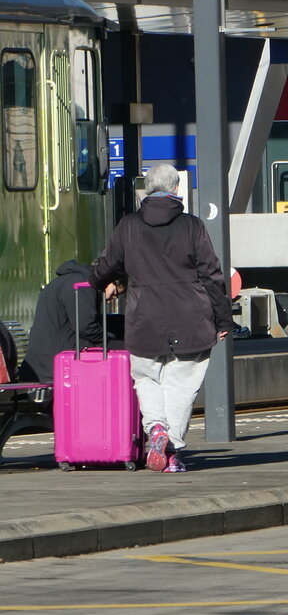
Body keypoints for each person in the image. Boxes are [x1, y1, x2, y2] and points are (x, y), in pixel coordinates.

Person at [91, 164, 237, 473]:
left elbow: (105, 266)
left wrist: (107, 281)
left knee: (146, 378)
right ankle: (171, 448)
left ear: (146, 189)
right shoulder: (192, 226)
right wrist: (223, 320)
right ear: (176, 190)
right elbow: (212, 276)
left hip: (143, 319)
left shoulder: (128, 225)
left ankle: (155, 428)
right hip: (191, 319)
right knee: (181, 386)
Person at [17, 260, 105, 384]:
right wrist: (109, 337)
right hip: (54, 368)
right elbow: (86, 327)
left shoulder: (64, 281)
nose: (111, 298)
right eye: (116, 291)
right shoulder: (82, 284)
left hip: (41, 366)